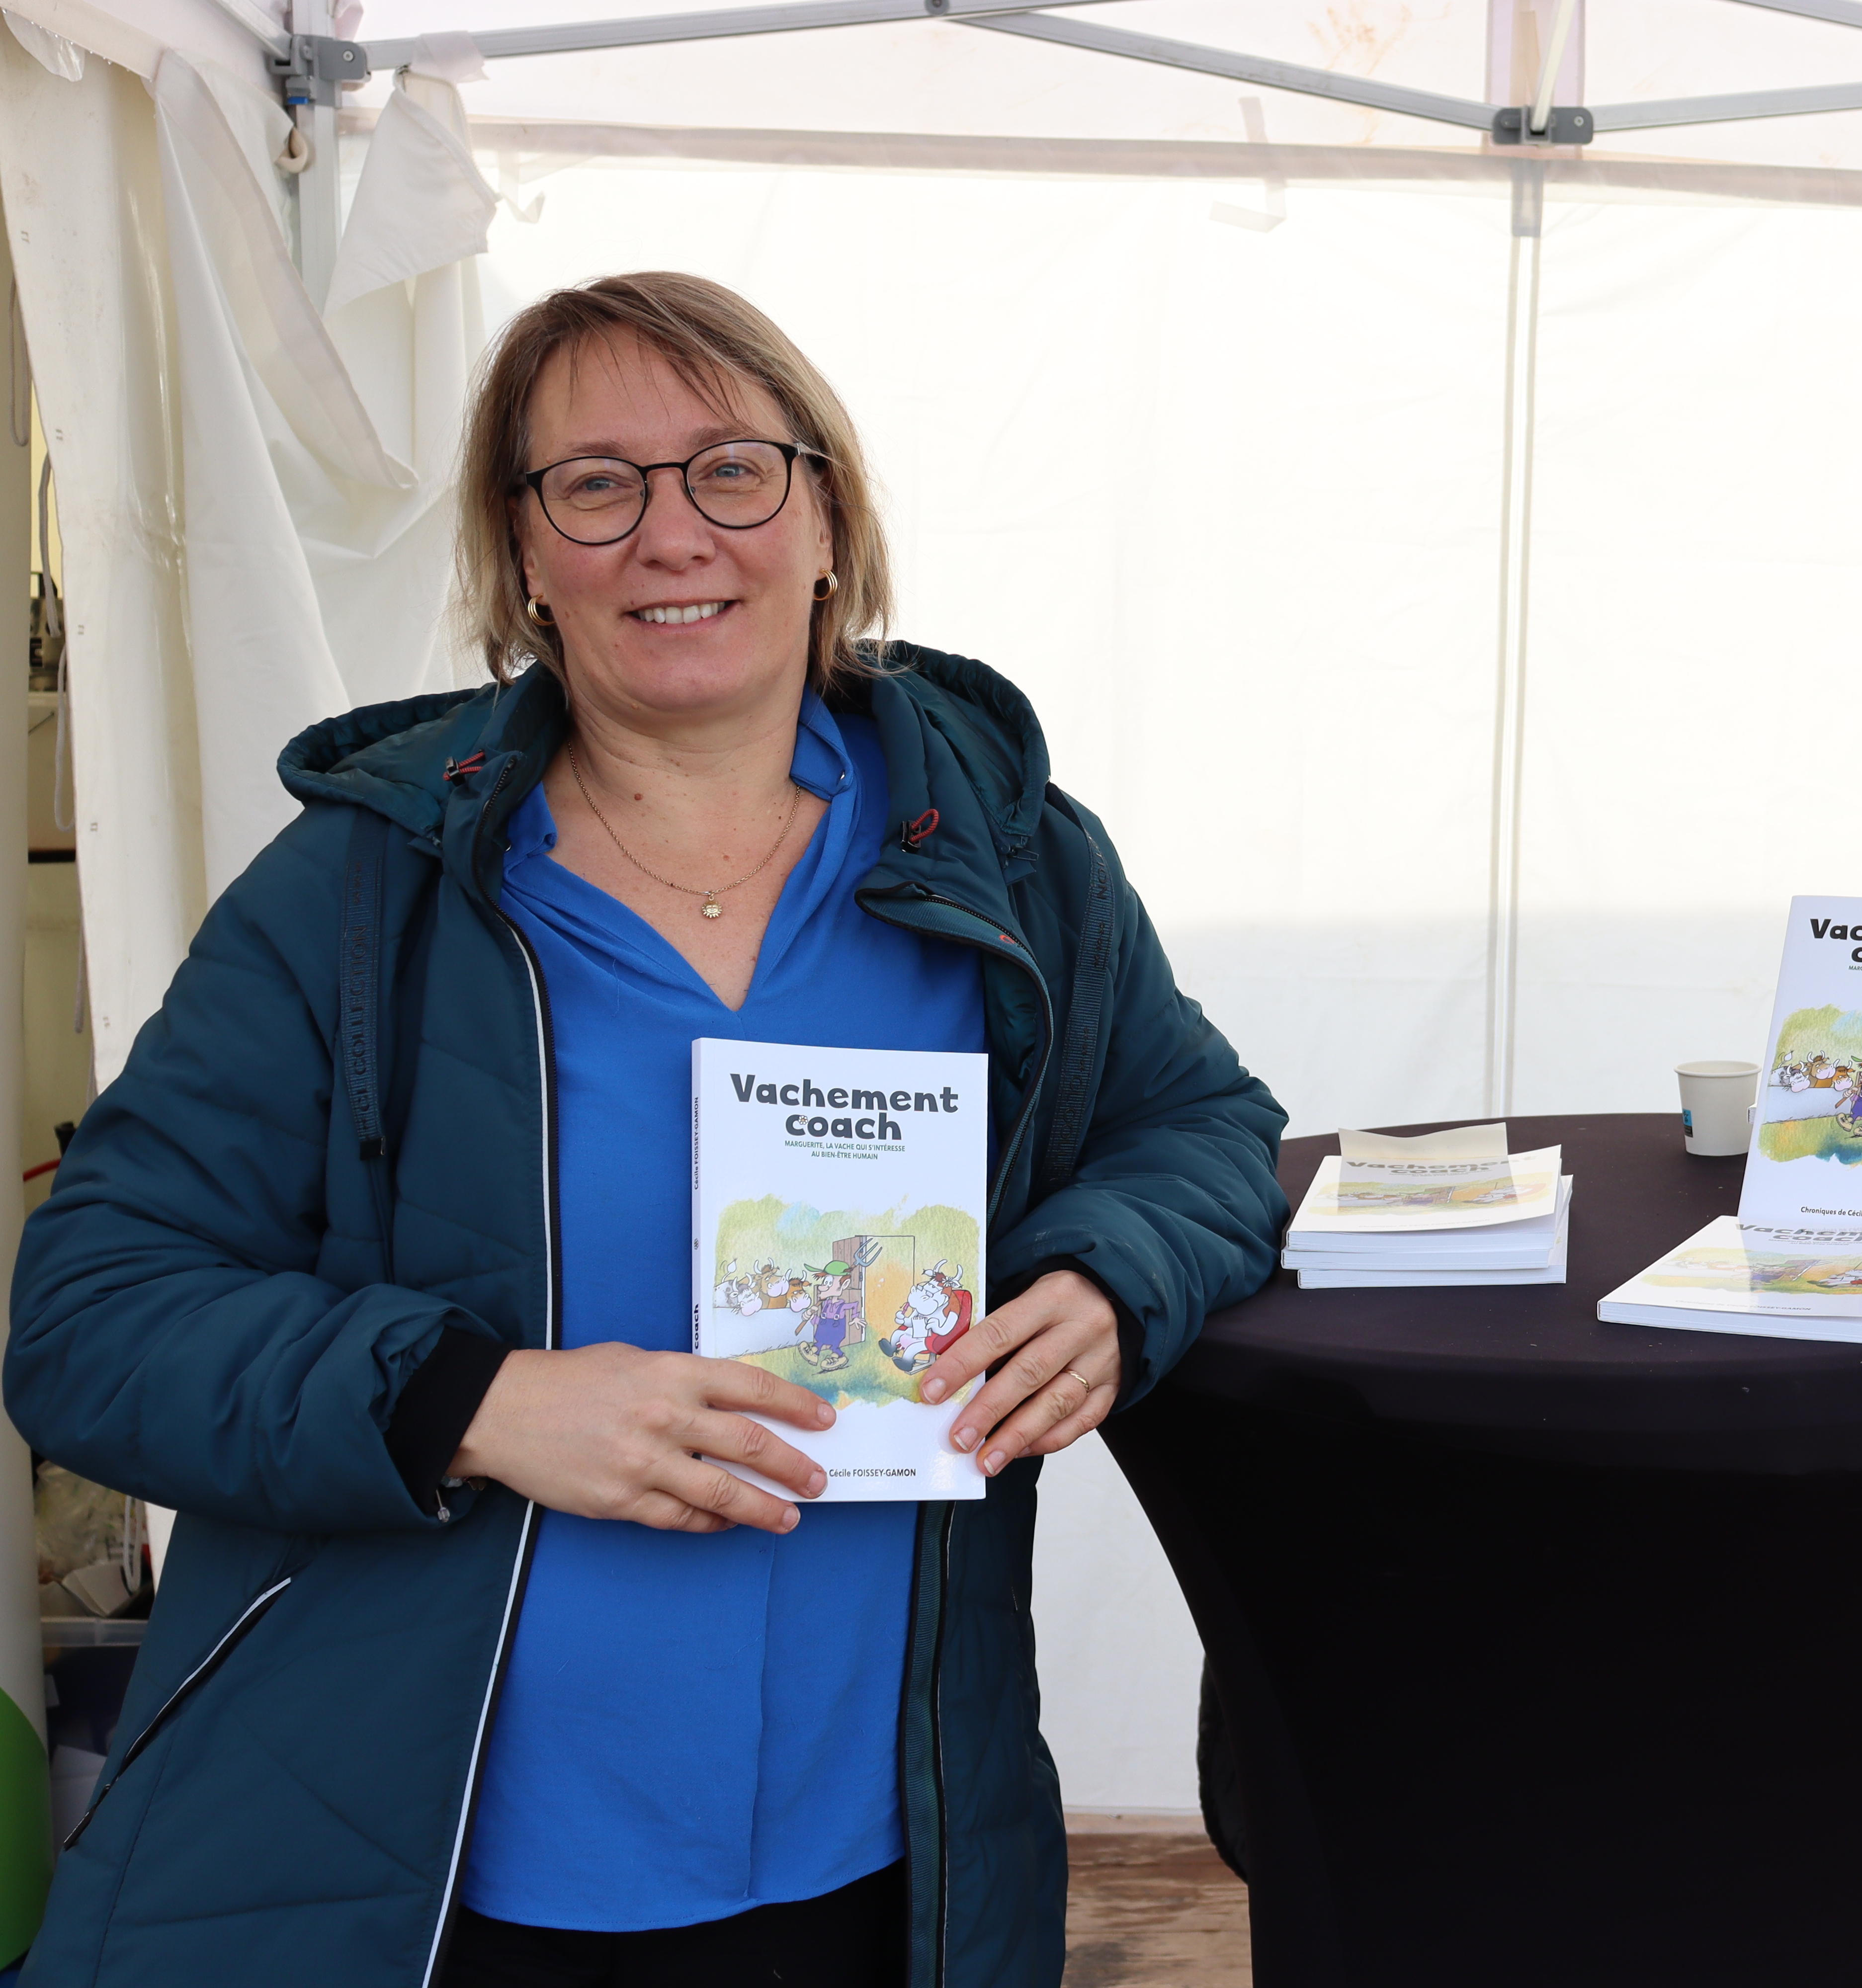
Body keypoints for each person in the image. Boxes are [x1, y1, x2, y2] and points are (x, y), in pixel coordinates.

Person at [4, 272, 1287, 1988]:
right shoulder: (362, 896)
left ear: (827, 517)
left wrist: (1112, 1276)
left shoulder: (1013, 861)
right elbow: (90, 1312)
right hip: (434, 1865)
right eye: (595, 486)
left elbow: (1204, 1127)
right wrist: (475, 1400)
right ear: (524, 557)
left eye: (732, 472)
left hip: (888, 1843)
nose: (671, 534)